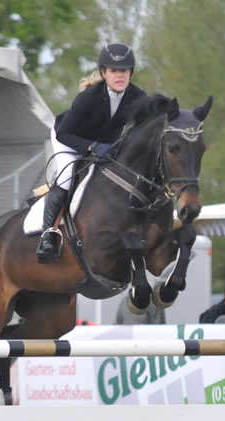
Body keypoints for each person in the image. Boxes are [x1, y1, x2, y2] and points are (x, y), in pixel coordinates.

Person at [35, 43, 147, 263]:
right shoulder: (88, 97)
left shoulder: (137, 97)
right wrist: (92, 148)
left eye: (124, 71)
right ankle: (48, 234)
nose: (119, 75)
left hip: (105, 144)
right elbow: (64, 133)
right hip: (68, 140)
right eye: (114, 71)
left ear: (130, 73)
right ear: (104, 73)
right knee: (67, 180)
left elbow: (149, 121)